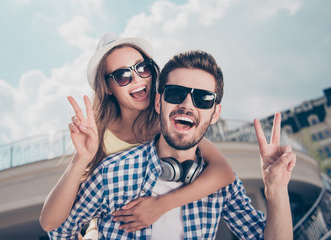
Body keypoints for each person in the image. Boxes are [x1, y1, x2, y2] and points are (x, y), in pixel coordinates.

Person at [47, 50, 296, 239]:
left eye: (203, 98)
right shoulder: (111, 172)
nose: (188, 104)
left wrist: (276, 191)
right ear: (158, 103)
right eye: (176, 94)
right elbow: (57, 230)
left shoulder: (223, 187)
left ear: (215, 112)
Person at [39, 33, 235, 237]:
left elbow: (224, 173)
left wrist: (161, 205)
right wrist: (80, 160)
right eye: (122, 76)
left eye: (143, 68)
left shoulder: (171, 125)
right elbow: (49, 222)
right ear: (107, 87)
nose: (137, 78)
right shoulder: (97, 138)